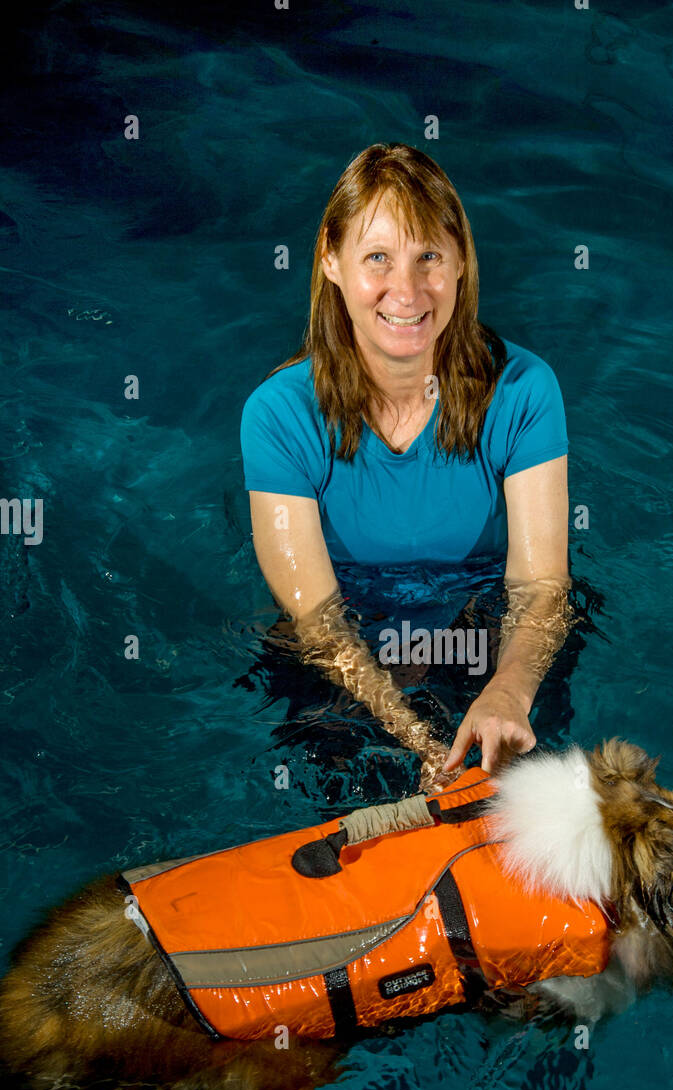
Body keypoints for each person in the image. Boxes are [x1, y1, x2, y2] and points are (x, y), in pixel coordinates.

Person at [241, 142, 575, 791]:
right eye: (378, 259)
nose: (409, 289)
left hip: (479, 627)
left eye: (429, 257)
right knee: (350, 785)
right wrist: (416, 740)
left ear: (460, 265)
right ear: (331, 262)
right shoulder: (278, 415)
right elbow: (318, 621)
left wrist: (508, 691)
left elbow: (540, 588)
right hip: (343, 651)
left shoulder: (524, 392)